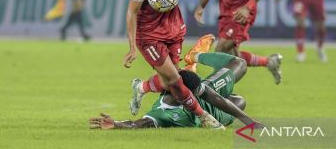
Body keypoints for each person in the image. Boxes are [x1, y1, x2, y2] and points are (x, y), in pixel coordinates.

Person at [123, 0, 234, 129]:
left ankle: (142, 87)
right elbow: (132, 12)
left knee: (169, 82)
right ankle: (205, 118)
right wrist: (131, 47)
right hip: (149, 36)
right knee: (175, 81)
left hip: (174, 28)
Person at [90, 52, 264, 129]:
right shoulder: (161, 115)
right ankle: (142, 87)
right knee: (240, 101)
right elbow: (136, 124)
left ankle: (195, 56)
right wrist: (117, 125)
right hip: (213, 113)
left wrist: (250, 122)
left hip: (208, 88)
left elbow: (218, 99)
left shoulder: (196, 89)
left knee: (239, 64)